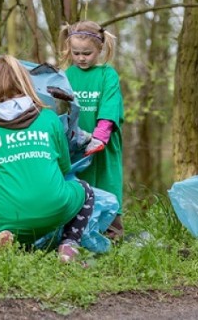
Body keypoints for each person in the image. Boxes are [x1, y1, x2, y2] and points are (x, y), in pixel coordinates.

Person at [0, 55, 94, 263]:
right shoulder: (48, 118)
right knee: (85, 191)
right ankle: (69, 245)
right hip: (54, 208)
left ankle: (9, 237)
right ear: (26, 83)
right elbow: (64, 167)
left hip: (7, 217)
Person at [59, 20, 124, 240]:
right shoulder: (67, 74)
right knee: (79, 185)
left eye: (87, 53)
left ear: (100, 49)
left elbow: (110, 105)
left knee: (107, 181)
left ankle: (113, 231)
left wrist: (101, 135)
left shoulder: (108, 74)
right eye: (76, 53)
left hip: (102, 145)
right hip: (77, 145)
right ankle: (78, 232)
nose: (81, 58)